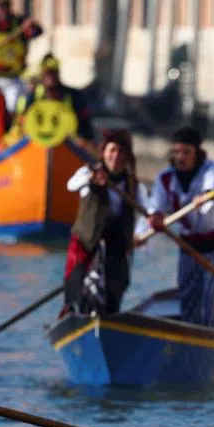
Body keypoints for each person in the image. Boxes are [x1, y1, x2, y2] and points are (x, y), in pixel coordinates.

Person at [145, 127, 214, 327]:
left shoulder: (212, 169)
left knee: (213, 300)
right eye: (176, 152)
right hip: (189, 243)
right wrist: (155, 216)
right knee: (188, 297)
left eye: (187, 152)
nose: (181, 157)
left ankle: (213, 334)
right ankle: (189, 334)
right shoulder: (165, 177)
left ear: (197, 154)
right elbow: (155, 204)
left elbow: (210, 193)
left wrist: (203, 198)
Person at [61, 129, 144, 316]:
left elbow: (149, 210)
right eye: (112, 150)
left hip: (115, 251)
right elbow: (71, 185)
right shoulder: (87, 172)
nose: (116, 156)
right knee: (79, 294)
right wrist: (91, 178)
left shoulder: (133, 185)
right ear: (104, 152)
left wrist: (143, 230)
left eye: (121, 152)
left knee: (112, 294)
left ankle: (108, 321)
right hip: (86, 247)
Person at [16, 56, 94, 141]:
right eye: (47, 73)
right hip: (37, 143)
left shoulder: (74, 96)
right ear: (42, 74)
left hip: (68, 144)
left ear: (58, 74)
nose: (50, 77)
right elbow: (22, 122)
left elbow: (85, 127)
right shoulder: (33, 98)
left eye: (53, 73)